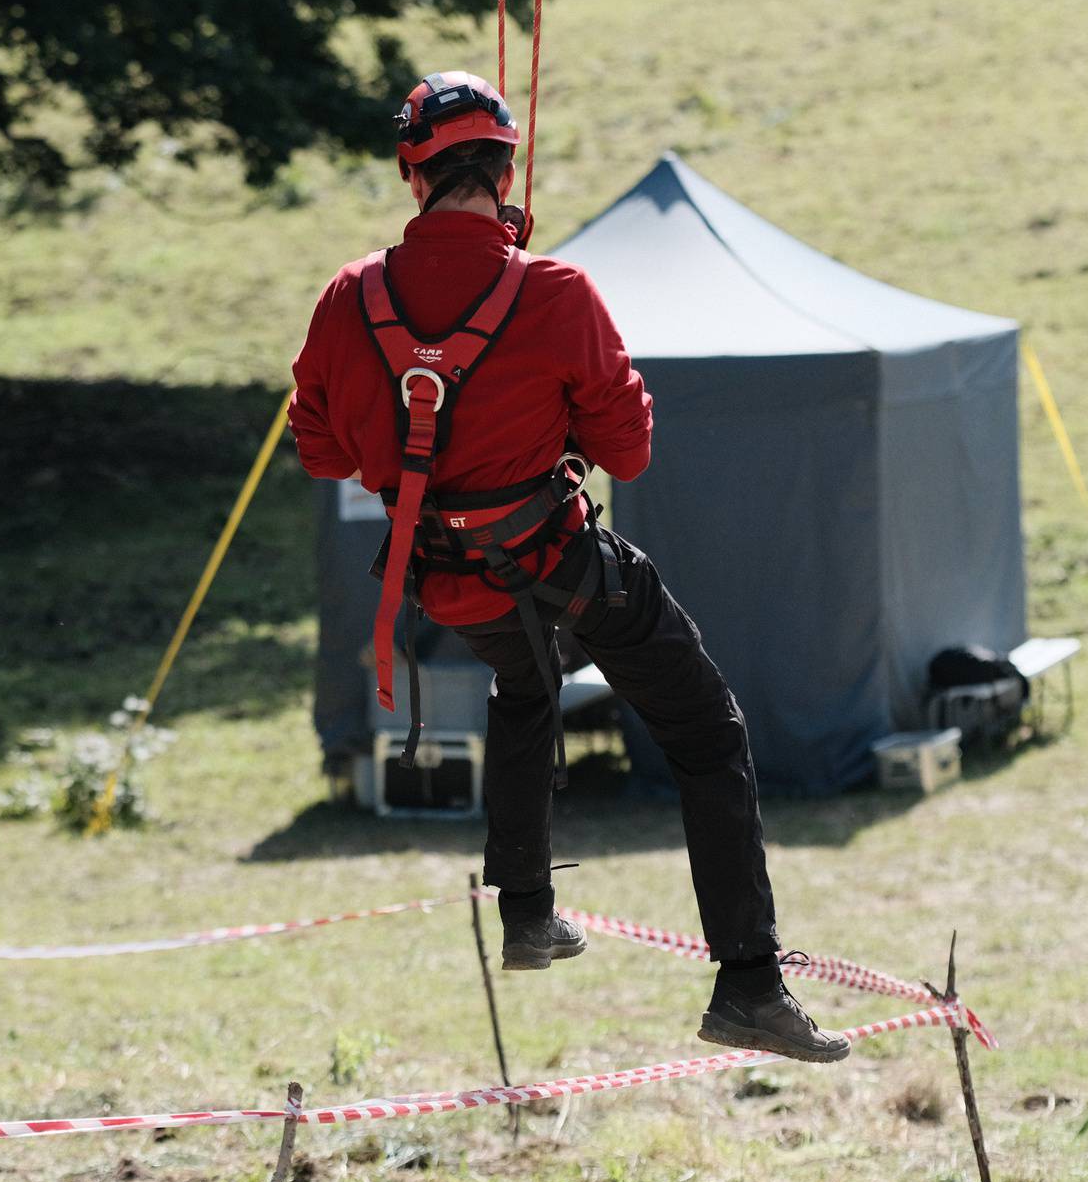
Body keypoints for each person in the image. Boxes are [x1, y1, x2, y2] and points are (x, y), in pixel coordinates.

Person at [286, 71, 848, 1063]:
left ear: (413, 175)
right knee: (707, 732)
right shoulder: (551, 291)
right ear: (503, 168)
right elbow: (626, 450)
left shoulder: (349, 296)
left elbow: (323, 451)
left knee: (521, 678)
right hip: (556, 559)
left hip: (444, 580)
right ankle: (750, 982)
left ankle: (527, 910)